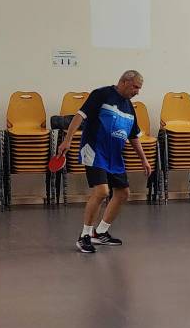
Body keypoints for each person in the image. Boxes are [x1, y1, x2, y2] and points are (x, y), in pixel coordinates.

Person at [56, 70, 152, 253]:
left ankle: (100, 233)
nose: (137, 92)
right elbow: (79, 116)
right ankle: (84, 236)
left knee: (123, 193)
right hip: (95, 150)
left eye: (139, 88)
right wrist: (67, 140)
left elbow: (133, 136)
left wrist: (144, 160)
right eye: (135, 87)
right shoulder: (101, 94)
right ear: (124, 82)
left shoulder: (129, 107)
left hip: (114, 156)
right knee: (102, 191)